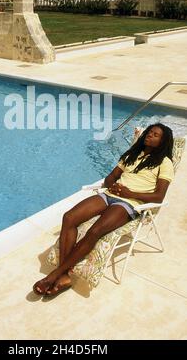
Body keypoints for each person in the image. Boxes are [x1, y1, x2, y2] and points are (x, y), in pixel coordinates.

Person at [33, 123, 174, 297]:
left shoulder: (165, 163)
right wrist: (112, 185)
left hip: (129, 203)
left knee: (95, 231)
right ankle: (63, 275)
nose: (149, 135)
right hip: (109, 195)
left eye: (155, 134)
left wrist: (129, 193)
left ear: (163, 141)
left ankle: (55, 274)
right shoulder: (133, 154)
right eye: (149, 132)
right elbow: (111, 177)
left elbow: (159, 196)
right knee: (69, 217)